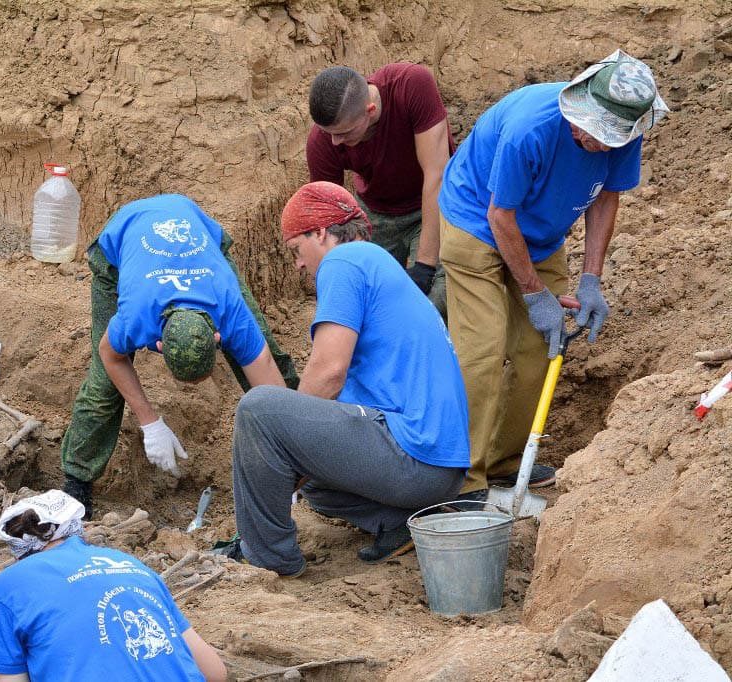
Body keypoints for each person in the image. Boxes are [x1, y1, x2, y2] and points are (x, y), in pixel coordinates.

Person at [437, 49, 669, 502]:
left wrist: (591, 280)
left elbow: (605, 198)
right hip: (476, 224)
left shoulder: (624, 133)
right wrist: (533, 292)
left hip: (542, 235)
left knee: (540, 350)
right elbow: (500, 216)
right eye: (590, 128)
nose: (595, 141)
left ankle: (504, 463)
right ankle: (462, 479)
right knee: (482, 352)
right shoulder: (530, 129)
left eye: (607, 137)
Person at [220, 182, 470, 577]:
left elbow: (329, 372)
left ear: (320, 232)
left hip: (416, 454)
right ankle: (402, 521)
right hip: (438, 468)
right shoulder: (376, 265)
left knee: (259, 409)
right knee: (313, 480)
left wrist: (284, 441)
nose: (298, 265)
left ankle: (266, 559)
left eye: (296, 250)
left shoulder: (347, 260)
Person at [61, 194, 298, 516]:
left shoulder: (229, 311)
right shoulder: (137, 317)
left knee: (266, 350)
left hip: (197, 233)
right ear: (157, 343)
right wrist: (149, 422)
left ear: (218, 336)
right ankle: (77, 482)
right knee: (104, 386)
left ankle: (307, 453)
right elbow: (111, 355)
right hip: (120, 243)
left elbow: (266, 373)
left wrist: (289, 461)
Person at [0, 490, 227, 682]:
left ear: (16, 545)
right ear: (76, 527)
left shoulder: (8, 587)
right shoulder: (133, 566)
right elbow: (215, 672)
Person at [306, 64, 454, 316]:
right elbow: (328, 220)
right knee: (366, 300)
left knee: (437, 299)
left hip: (435, 200)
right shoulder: (322, 141)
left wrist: (425, 266)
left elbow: (436, 173)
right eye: (329, 133)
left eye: (343, 133)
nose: (335, 142)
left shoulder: (411, 85)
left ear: (370, 111)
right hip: (377, 211)